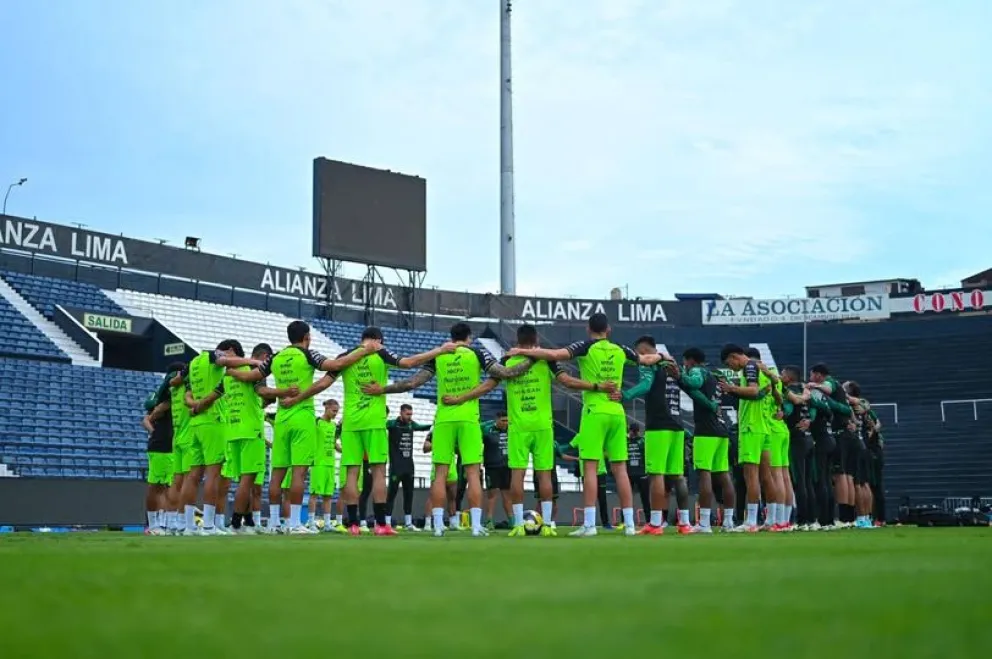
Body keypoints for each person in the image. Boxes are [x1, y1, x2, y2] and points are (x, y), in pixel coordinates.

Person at [363, 322, 532, 537]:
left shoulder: (440, 355)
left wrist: (382, 389)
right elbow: (506, 373)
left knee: (440, 474)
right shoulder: (476, 353)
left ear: (451, 337)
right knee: (472, 473)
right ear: (469, 337)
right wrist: (533, 358)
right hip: (468, 419)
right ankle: (477, 526)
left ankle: (438, 526)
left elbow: (411, 383)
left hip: (443, 420)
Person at [441, 323, 604, 537]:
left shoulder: (508, 360)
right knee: (544, 474)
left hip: (518, 426)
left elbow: (488, 385)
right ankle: (546, 524)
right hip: (542, 425)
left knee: (517, 474)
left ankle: (518, 524)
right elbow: (566, 381)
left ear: (517, 339)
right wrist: (595, 386)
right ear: (536, 339)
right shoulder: (546, 359)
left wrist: (461, 398)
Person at [507, 313, 662, 537]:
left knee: (590, 467)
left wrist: (522, 351)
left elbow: (554, 354)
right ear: (608, 329)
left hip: (594, 411)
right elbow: (647, 359)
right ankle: (629, 524)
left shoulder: (586, 347)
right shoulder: (620, 349)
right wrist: (663, 356)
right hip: (617, 412)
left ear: (589, 329)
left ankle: (589, 525)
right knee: (620, 469)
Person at [227, 320, 376, 534]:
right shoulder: (307, 354)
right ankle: (294, 523)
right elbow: (334, 366)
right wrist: (363, 350)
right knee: (299, 473)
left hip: (282, 419)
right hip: (302, 417)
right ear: (307, 337)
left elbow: (254, 380)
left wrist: (232, 372)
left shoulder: (275, 358)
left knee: (277, 474)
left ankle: (275, 523)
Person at [181, 340, 262, 535]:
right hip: (213, 422)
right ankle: (208, 525)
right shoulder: (213, 356)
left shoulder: (194, 363)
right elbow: (222, 362)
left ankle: (188, 526)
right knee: (214, 474)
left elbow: (187, 396)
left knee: (192, 476)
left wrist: (196, 406)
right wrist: (254, 361)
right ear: (231, 351)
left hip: (196, 425)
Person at [618, 335, 690, 535]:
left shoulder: (649, 363)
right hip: (677, 424)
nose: (639, 357)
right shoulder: (672, 363)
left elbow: (646, 385)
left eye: (639, 353)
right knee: (678, 476)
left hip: (658, 425)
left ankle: (656, 524)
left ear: (643, 350)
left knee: (656, 474)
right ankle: (684, 523)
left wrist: (625, 395)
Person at [223, 342, 287, 534]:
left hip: (232, 429)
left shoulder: (227, 372)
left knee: (243, 479)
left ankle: (248, 521)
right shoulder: (255, 368)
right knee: (248, 480)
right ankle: (236, 523)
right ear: (264, 357)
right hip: (250, 429)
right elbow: (267, 396)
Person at [677, 348, 735, 533]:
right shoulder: (715, 374)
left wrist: (681, 377)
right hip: (721, 428)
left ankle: (704, 523)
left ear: (691, 361)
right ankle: (728, 521)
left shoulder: (697, 371)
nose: (685, 366)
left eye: (685, 362)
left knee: (705, 474)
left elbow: (693, 382)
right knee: (724, 475)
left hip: (706, 430)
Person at [718, 344, 771, 532]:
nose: (731, 367)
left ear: (734, 357)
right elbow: (768, 389)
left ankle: (750, 521)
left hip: (750, 426)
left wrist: (731, 388)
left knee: (751, 476)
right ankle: (772, 519)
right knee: (766, 476)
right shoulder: (762, 369)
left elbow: (754, 391)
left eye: (728, 363)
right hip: (764, 426)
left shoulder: (749, 367)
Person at [744, 348, 789, 531]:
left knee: (770, 475)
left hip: (766, 426)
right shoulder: (773, 375)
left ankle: (776, 520)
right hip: (778, 428)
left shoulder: (753, 372)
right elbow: (780, 401)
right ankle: (780, 520)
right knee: (782, 476)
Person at [808, 364, 855, 527]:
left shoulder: (826, 385)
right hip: (832, 438)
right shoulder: (833, 399)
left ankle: (834, 519)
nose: (810, 379)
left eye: (811, 376)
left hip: (829, 437)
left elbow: (825, 394)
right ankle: (841, 518)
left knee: (827, 478)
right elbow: (846, 409)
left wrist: (813, 389)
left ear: (819, 375)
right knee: (831, 479)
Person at [141, 363, 185, 535]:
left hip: (175, 444)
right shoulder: (163, 398)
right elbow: (149, 416)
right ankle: (153, 525)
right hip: (162, 444)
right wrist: (154, 432)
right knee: (157, 486)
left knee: (170, 487)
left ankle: (166, 523)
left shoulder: (176, 396)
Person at [385, 403, 431, 530]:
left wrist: (435, 425)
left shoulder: (411, 424)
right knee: (392, 493)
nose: (410, 417)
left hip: (409, 465)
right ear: (401, 412)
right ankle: (387, 522)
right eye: (407, 414)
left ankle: (408, 523)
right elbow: (381, 424)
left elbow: (422, 427)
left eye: (411, 414)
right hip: (396, 465)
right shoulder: (392, 424)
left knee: (409, 494)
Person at [781, 366, 816, 530]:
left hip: (796, 439)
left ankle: (802, 521)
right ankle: (811, 519)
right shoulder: (806, 390)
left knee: (799, 481)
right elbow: (816, 406)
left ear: (788, 377)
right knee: (808, 481)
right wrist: (810, 420)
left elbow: (788, 409)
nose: (780, 376)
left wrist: (782, 413)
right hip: (809, 439)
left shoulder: (789, 391)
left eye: (782, 374)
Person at [844, 381, 876, 529]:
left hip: (856, 444)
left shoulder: (852, 405)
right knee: (865, 484)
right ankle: (868, 518)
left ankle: (862, 518)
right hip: (864, 446)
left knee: (857, 484)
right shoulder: (863, 405)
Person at [308, 399, 341, 532]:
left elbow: (334, 444)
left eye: (337, 411)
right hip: (318, 463)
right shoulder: (316, 422)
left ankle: (327, 524)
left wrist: (344, 450)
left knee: (328, 495)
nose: (335, 414)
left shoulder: (333, 426)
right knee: (314, 494)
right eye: (333, 411)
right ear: (326, 408)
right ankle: (310, 523)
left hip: (330, 464)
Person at [481, 412, 512, 529]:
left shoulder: (511, 430)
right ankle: (489, 521)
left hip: (507, 467)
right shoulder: (487, 429)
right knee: (492, 495)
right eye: (503, 421)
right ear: (497, 420)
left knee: (507, 495)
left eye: (507, 421)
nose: (505, 423)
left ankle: (512, 520)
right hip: (492, 466)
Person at [626, 423, 649, 526]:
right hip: (630, 474)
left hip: (639, 473)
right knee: (628, 497)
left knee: (644, 498)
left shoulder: (642, 441)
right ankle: (626, 521)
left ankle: (648, 520)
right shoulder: (627, 441)